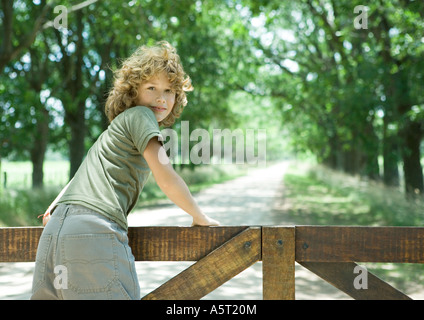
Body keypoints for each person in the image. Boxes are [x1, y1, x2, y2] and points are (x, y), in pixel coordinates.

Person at [31, 41, 219, 300]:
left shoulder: (114, 131)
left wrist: (56, 208)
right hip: (93, 231)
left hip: (55, 235)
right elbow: (166, 177)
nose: (161, 98)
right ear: (133, 91)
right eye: (151, 87)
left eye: (169, 90)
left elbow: (79, 177)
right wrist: (200, 216)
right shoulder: (142, 116)